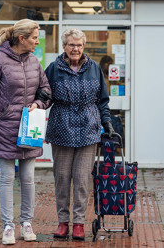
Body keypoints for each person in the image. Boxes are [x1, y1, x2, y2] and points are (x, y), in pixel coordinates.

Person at [0, 19, 51, 245]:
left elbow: (46, 89)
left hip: (30, 129)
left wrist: (38, 103)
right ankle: (8, 226)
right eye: (34, 37)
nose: (37, 41)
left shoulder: (34, 62)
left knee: (27, 179)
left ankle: (26, 223)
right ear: (22, 38)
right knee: (7, 178)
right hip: (5, 128)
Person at [44, 28, 116, 241]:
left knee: (83, 179)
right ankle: (63, 222)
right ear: (64, 46)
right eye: (71, 45)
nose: (75, 49)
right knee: (62, 178)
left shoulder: (94, 68)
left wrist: (108, 123)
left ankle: (78, 223)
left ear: (83, 46)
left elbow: (102, 100)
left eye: (79, 45)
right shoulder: (53, 69)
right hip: (61, 128)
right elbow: (45, 96)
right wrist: (36, 106)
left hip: (88, 129)